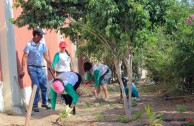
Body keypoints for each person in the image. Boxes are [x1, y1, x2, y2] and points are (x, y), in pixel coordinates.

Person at [19, 28, 52, 112]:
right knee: (36, 85)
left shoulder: (42, 45)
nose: (42, 37)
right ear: (36, 35)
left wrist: (51, 64)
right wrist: (23, 69)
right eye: (41, 35)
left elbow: (45, 55)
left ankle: (44, 102)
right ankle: (34, 105)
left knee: (44, 85)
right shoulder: (29, 45)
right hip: (32, 68)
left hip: (40, 67)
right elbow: (24, 57)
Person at [52, 41, 73, 105]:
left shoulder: (67, 54)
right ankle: (63, 99)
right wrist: (54, 70)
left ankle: (67, 98)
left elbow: (69, 63)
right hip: (61, 72)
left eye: (64, 47)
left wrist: (71, 69)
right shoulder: (58, 54)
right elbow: (54, 63)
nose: (63, 48)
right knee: (62, 86)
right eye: (62, 47)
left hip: (67, 72)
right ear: (60, 47)